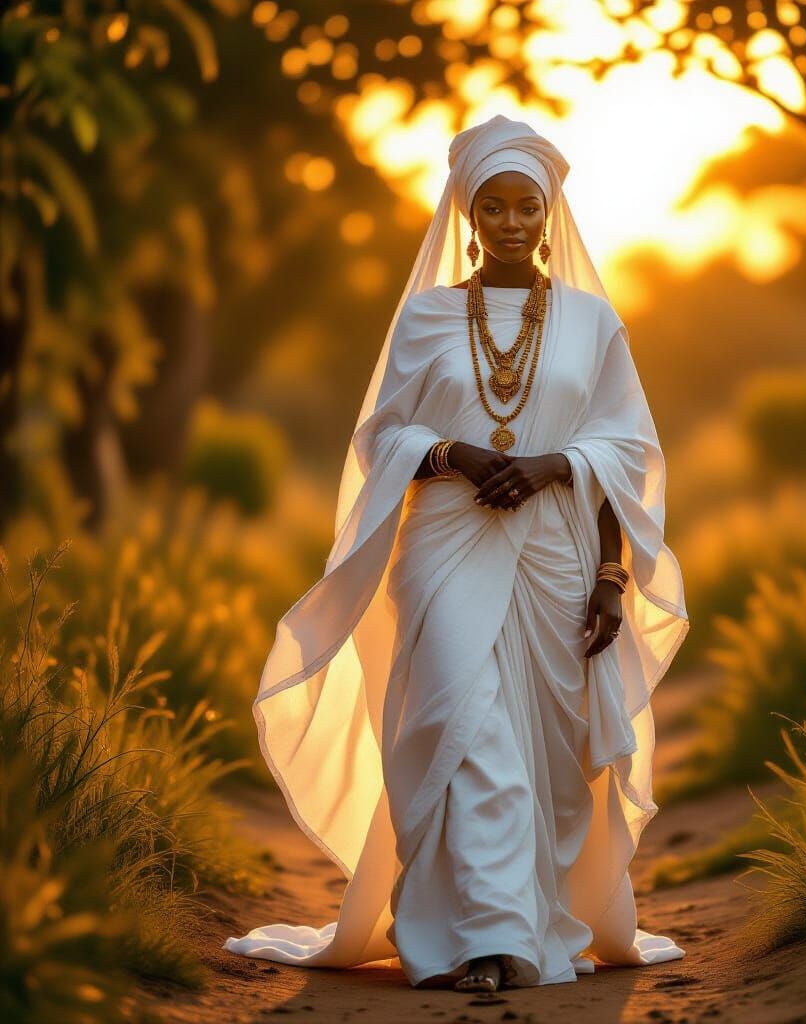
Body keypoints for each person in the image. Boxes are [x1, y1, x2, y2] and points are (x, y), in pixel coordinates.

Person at [223, 113, 691, 993]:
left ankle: (522, 916)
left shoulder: (594, 324)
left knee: (547, 762)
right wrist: (455, 456)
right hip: (441, 548)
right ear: (467, 215)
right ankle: (487, 938)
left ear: (548, 213)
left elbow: (624, 458)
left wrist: (606, 569)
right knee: (462, 727)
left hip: (558, 559)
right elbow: (382, 437)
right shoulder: (427, 318)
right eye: (493, 207)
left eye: (527, 206)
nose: (511, 222)